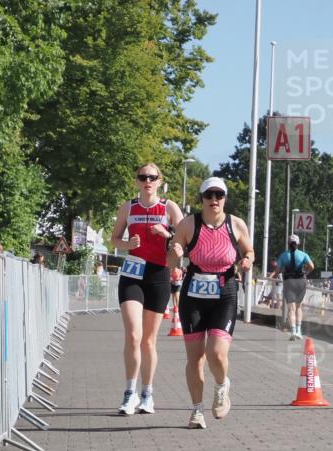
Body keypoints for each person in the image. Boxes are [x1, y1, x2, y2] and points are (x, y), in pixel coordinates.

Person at [168, 177, 254, 430]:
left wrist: (247, 260)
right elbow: (170, 261)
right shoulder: (188, 224)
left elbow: (248, 251)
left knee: (216, 353)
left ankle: (221, 385)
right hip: (193, 294)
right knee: (195, 358)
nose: (214, 200)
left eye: (219, 196)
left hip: (224, 292)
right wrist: (175, 253)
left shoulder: (235, 224)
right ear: (202, 198)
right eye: (209, 196)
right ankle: (196, 410)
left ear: (225, 198)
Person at [109, 162, 184, 416]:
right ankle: (129, 394)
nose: (147, 181)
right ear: (137, 181)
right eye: (143, 177)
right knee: (133, 335)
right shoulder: (129, 206)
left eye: (152, 177)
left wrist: (168, 234)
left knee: (149, 341)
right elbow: (114, 238)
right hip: (132, 273)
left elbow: (186, 239)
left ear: (159, 181)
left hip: (158, 275)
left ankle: (147, 394)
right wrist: (127, 244)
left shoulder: (169, 207)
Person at [272, 235, 315, 341]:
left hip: (289, 282)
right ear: (298, 243)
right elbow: (312, 266)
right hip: (300, 282)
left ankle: (293, 331)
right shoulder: (303, 255)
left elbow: (277, 270)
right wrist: (306, 273)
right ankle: (299, 331)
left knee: (291, 308)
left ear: (288, 243)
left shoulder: (283, 256)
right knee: (299, 307)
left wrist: (273, 276)